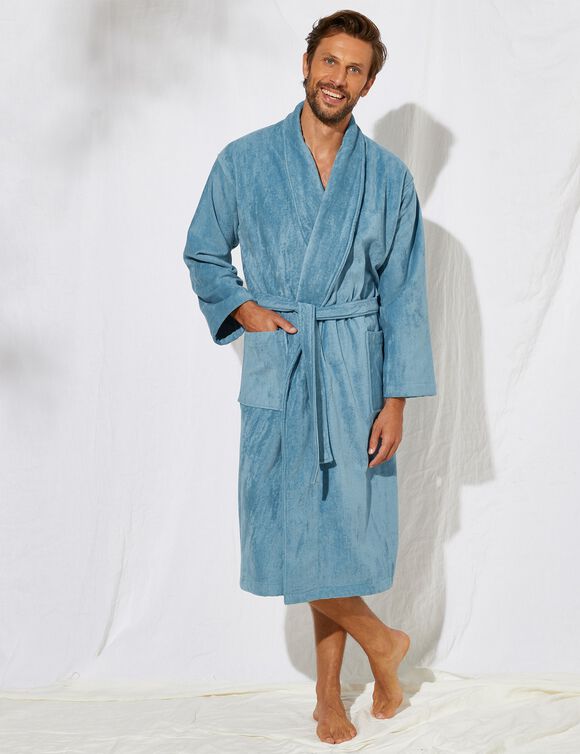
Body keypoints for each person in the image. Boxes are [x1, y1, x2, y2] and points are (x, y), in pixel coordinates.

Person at [182, 9, 437, 745]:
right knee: (294, 530)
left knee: (335, 535)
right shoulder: (245, 160)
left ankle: (330, 697)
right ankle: (383, 645)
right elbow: (203, 251)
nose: (338, 78)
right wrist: (245, 309)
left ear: (368, 83)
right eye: (330, 61)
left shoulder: (388, 179)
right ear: (306, 64)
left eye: (355, 69)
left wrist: (396, 400)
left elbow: (405, 296)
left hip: (356, 373)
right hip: (284, 365)